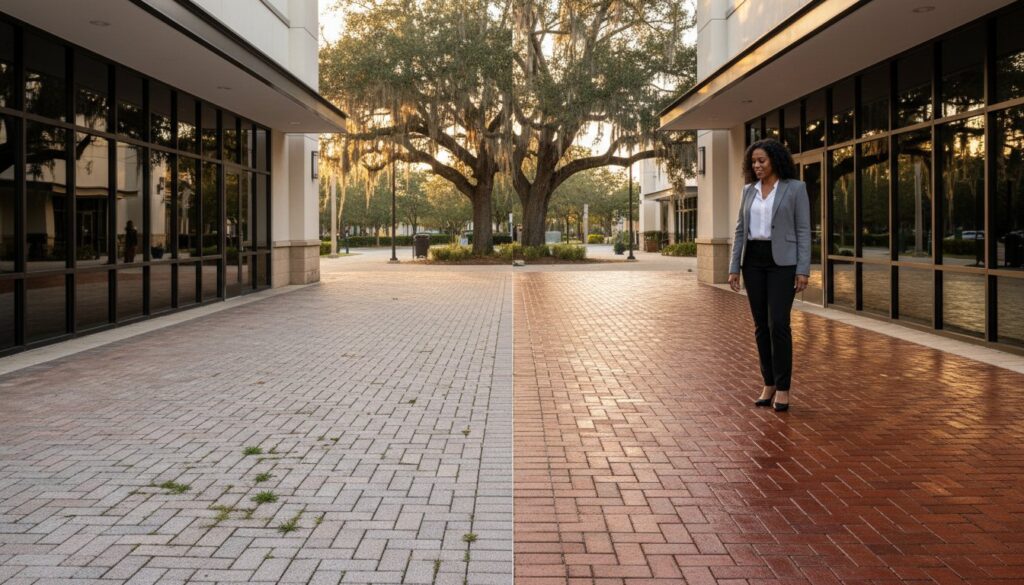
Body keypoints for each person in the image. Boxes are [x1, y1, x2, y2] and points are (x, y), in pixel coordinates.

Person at [727, 138, 810, 412]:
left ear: (775, 160)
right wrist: (733, 268)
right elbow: (740, 230)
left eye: (762, 160)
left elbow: (802, 231)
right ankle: (769, 383)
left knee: (779, 325)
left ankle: (784, 388)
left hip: (783, 264)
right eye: (753, 162)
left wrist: (802, 269)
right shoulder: (748, 191)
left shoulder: (795, 189)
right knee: (761, 326)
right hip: (753, 262)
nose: (757, 165)